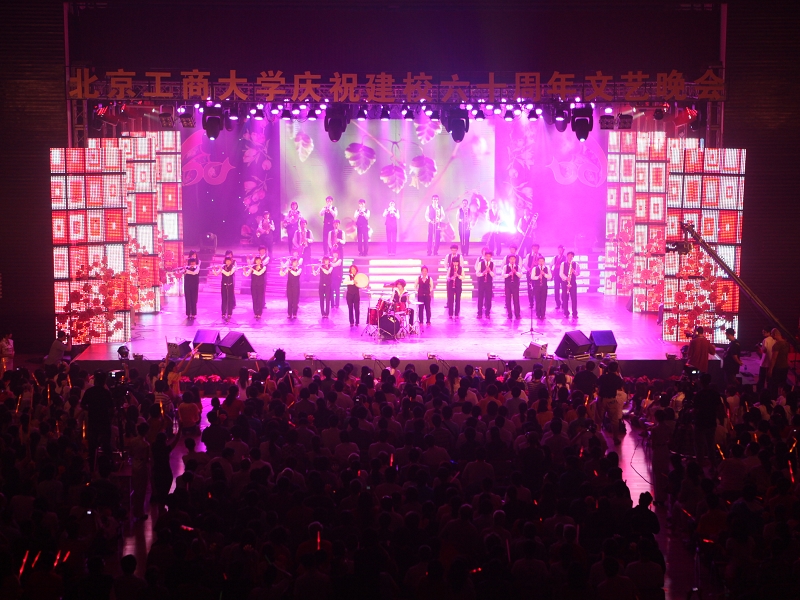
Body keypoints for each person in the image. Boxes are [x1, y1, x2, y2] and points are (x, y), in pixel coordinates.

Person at [83, 370, 114, 465]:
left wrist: (91, 409)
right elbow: (111, 407)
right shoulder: (106, 393)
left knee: (92, 444)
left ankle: (92, 464)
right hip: (104, 421)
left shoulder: (89, 391)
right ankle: (108, 464)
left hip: (93, 420)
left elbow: (83, 404)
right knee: (106, 444)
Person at [596, 361, 625, 444]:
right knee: (614, 421)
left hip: (602, 400)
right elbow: (621, 384)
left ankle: (597, 437)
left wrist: (604, 372)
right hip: (612, 400)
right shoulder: (617, 378)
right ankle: (615, 438)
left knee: (599, 420)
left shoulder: (603, 377)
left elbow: (598, 383)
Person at [211, 255, 237, 322]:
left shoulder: (233, 267)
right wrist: (214, 269)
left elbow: (228, 274)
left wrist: (221, 269)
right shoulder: (223, 267)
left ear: (231, 261)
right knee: (224, 299)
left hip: (230, 285)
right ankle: (223, 313)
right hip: (224, 285)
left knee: (230, 299)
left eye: (229, 261)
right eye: (226, 261)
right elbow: (216, 274)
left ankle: (229, 313)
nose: (227, 262)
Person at [244, 255, 267, 320]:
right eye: (257, 260)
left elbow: (259, 273)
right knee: (254, 299)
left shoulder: (263, 267)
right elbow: (246, 274)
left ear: (261, 261)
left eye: (259, 260)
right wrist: (245, 270)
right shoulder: (253, 267)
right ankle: (255, 313)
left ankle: (259, 313)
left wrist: (251, 269)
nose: (258, 261)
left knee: (260, 299)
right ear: (255, 261)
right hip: (254, 286)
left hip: (260, 286)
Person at [768, 328, 790, 393]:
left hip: (777, 367)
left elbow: (774, 358)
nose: (771, 335)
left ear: (774, 334)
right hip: (785, 366)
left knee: (774, 385)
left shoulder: (777, 345)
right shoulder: (786, 343)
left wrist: (770, 369)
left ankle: (774, 397)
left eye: (771, 334)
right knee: (782, 384)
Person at [475, 248, 495, 319]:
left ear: (491, 257)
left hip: (489, 283)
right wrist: (483, 273)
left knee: (488, 298)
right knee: (480, 297)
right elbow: (477, 273)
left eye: (489, 256)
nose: (488, 258)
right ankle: (479, 313)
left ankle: (487, 313)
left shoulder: (492, 264)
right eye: (487, 256)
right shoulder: (481, 263)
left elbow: (494, 275)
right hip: (481, 282)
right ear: (484, 256)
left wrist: (489, 271)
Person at [560, 251, 580, 319]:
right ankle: (566, 313)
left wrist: (573, 271)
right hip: (565, 283)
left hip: (573, 283)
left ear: (573, 257)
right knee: (565, 298)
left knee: (574, 298)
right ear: (567, 256)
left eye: (571, 256)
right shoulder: (563, 264)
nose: (570, 257)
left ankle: (574, 313)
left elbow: (578, 273)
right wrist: (566, 278)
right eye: (569, 255)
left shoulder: (576, 264)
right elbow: (561, 273)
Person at [531, 255, 552, 320]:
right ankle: (538, 314)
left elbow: (550, 277)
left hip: (544, 287)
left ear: (544, 262)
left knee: (543, 300)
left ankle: (543, 314)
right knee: (537, 300)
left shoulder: (547, 268)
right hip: (537, 287)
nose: (541, 262)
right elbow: (532, 277)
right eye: (540, 261)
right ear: (538, 262)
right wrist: (538, 277)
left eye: (542, 261)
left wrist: (544, 274)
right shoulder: (535, 268)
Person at [524, 243, 543, 313]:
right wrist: (529, 269)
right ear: (532, 248)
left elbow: (543, 264)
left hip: (537, 274)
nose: (535, 250)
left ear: (538, 249)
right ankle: (531, 303)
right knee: (530, 289)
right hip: (530, 274)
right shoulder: (528, 255)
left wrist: (538, 264)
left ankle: (537, 303)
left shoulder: (540, 256)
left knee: (537, 288)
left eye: (536, 248)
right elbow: (525, 264)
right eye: (534, 248)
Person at [504, 254, 522, 320]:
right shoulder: (506, 267)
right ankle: (509, 314)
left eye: (513, 259)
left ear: (515, 260)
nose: (512, 260)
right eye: (511, 259)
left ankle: (517, 314)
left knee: (516, 300)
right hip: (508, 285)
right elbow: (503, 275)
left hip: (515, 285)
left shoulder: (518, 267)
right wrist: (509, 274)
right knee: (508, 300)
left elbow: (520, 275)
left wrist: (516, 272)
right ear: (509, 260)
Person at [757, 326, 775, 391]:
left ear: (769, 332)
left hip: (764, 362)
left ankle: (760, 391)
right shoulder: (774, 340)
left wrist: (759, 347)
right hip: (771, 362)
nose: (763, 333)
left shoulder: (765, 340)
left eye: (764, 332)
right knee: (769, 379)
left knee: (762, 378)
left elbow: (764, 350)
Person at [447, 253, 464, 319]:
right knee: (451, 300)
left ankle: (457, 313)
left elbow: (463, 277)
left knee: (458, 300)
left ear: (458, 262)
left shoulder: (461, 268)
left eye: (456, 262)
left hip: (458, 286)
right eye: (454, 262)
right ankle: (450, 314)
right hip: (451, 286)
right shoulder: (450, 268)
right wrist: (451, 278)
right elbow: (447, 277)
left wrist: (458, 276)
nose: (455, 263)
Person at [552, 245, 566, 312]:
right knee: (556, 289)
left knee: (564, 290)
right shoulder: (555, 258)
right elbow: (551, 265)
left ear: (563, 250)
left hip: (563, 276)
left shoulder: (565, 258)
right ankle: (557, 303)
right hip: (557, 276)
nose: (560, 251)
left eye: (561, 250)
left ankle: (564, 303)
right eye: (559, 250)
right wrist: (554, 268)